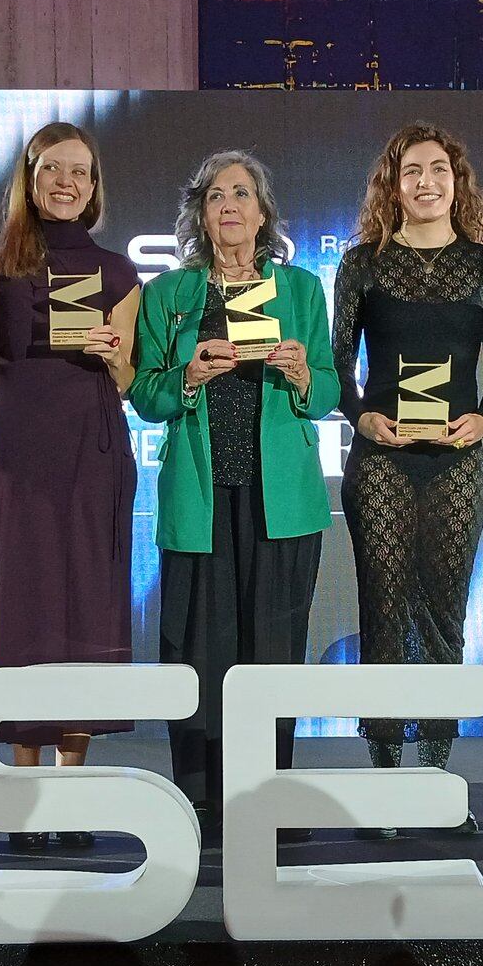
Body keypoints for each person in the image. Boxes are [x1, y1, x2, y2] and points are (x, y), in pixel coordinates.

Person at [129, 151, 337, 842]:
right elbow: (147, 394)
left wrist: (303, 374)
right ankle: (200, 797)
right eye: (216, 195)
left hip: (281, 500)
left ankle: (268, 794)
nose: (229, 206)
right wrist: (187, 375)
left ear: (263, 211)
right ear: (200, 212)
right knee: (199, 646)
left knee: (272, 648)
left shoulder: (299, 289)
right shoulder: (171, 294)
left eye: (242, 193)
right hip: (200, 496)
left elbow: (329, 391)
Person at [332, 123, 483, 838]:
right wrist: (362, 418)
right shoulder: (362, 264)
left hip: (456, 464)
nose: (426, 182)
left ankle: (435, 778)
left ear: (456, 181)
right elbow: (337, 365)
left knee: (443, 614)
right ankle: (384, 783)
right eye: (413, 171)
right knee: (383, 611)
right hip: (382, 460)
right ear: (394, 183)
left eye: (439, 169)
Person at [0, 123, 141, 850]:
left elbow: (130, 378)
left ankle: (71, 788)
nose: (67, 182)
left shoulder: (118, 271)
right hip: (22, 449)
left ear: (94, 185)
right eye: (53, 168)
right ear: (30, 176)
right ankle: (25, 787)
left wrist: (111, 355)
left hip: (92, 451)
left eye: (80, 171)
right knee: (25, 605)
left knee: (85, 605)